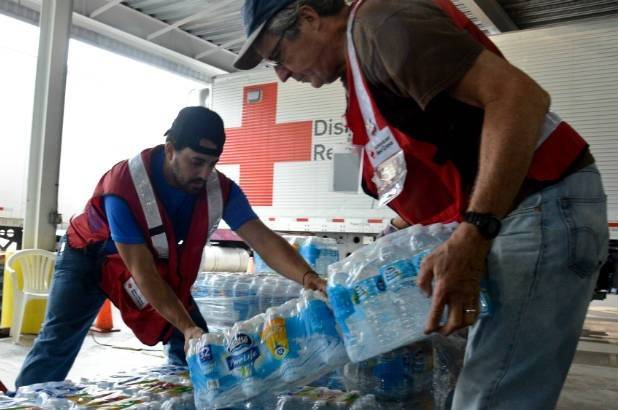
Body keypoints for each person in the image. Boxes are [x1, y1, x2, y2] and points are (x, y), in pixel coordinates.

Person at [234, 0, 609, 409]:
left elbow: (518, 96)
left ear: (308, 18)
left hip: (537, 205)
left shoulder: (382, 27)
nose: (283, 74)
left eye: (278, 56)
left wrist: (474, 231)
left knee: (492, 395)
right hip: (516, 216)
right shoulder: (360, 68)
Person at [15, 106, 326, 388]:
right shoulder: (124, 185)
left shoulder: (219, 190)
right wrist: (186, 326)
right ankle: (24, 402)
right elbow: (142, 272)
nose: (205, 174)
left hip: (144, 264)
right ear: (170, 150)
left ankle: (192, 395)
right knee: (57, 342)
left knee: (201, 345)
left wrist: (307, 276)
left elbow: (262, 239)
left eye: (212, 164)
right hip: (88, 259)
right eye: (196, 162)